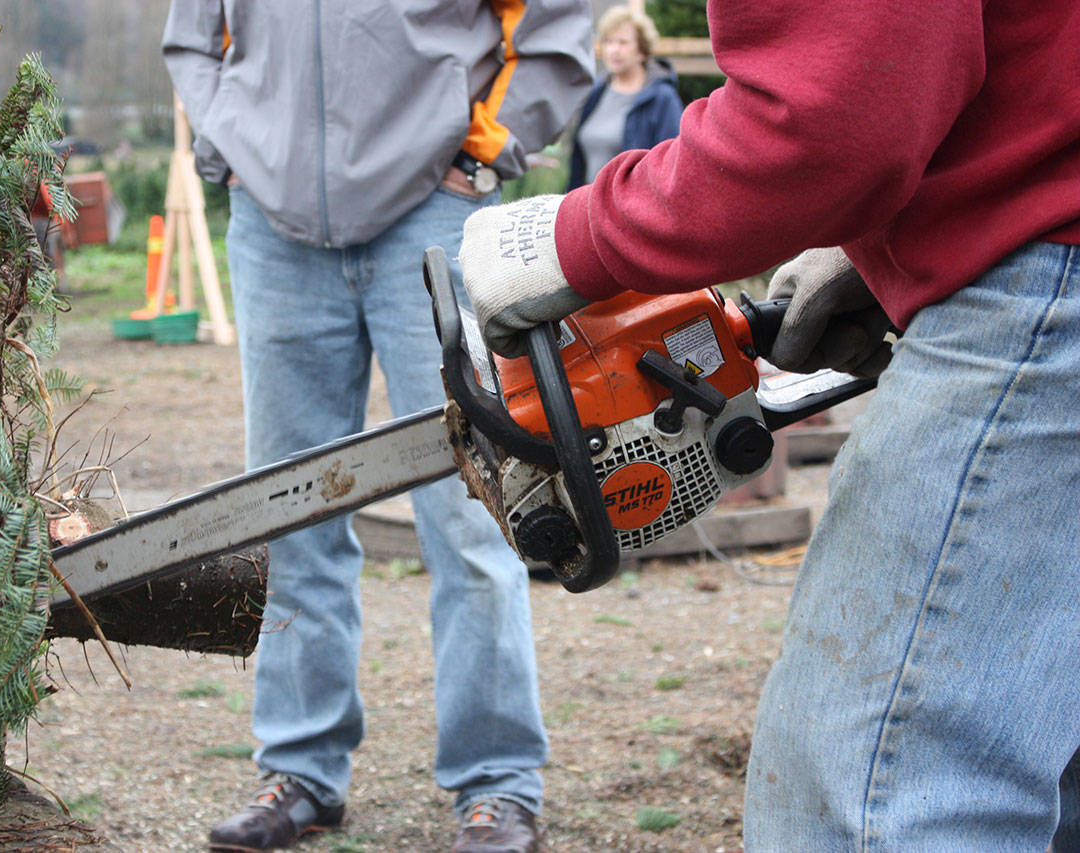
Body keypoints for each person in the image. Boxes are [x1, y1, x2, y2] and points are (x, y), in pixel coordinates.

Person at [457, 3, 1080, 849]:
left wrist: (577, 236)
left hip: (1048, 275)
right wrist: (892, 240)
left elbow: (827, 117)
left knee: (875, 788)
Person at [162, 3, 594, 851]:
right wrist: (233, 145)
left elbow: (550, 24)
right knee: (292, 519)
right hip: (273, 230)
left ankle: (496, 780)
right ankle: (300, 769)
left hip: (434, 218)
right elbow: (192, 37)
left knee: (473, 519)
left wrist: (486, 145)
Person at [567, 6, 683, 190]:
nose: (614, 50)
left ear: (641, 51)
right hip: (587, 206)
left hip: (632, 211)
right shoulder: (595, 92)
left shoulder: (662, 98)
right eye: (609, 42)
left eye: (623, 43)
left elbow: (673, 166)